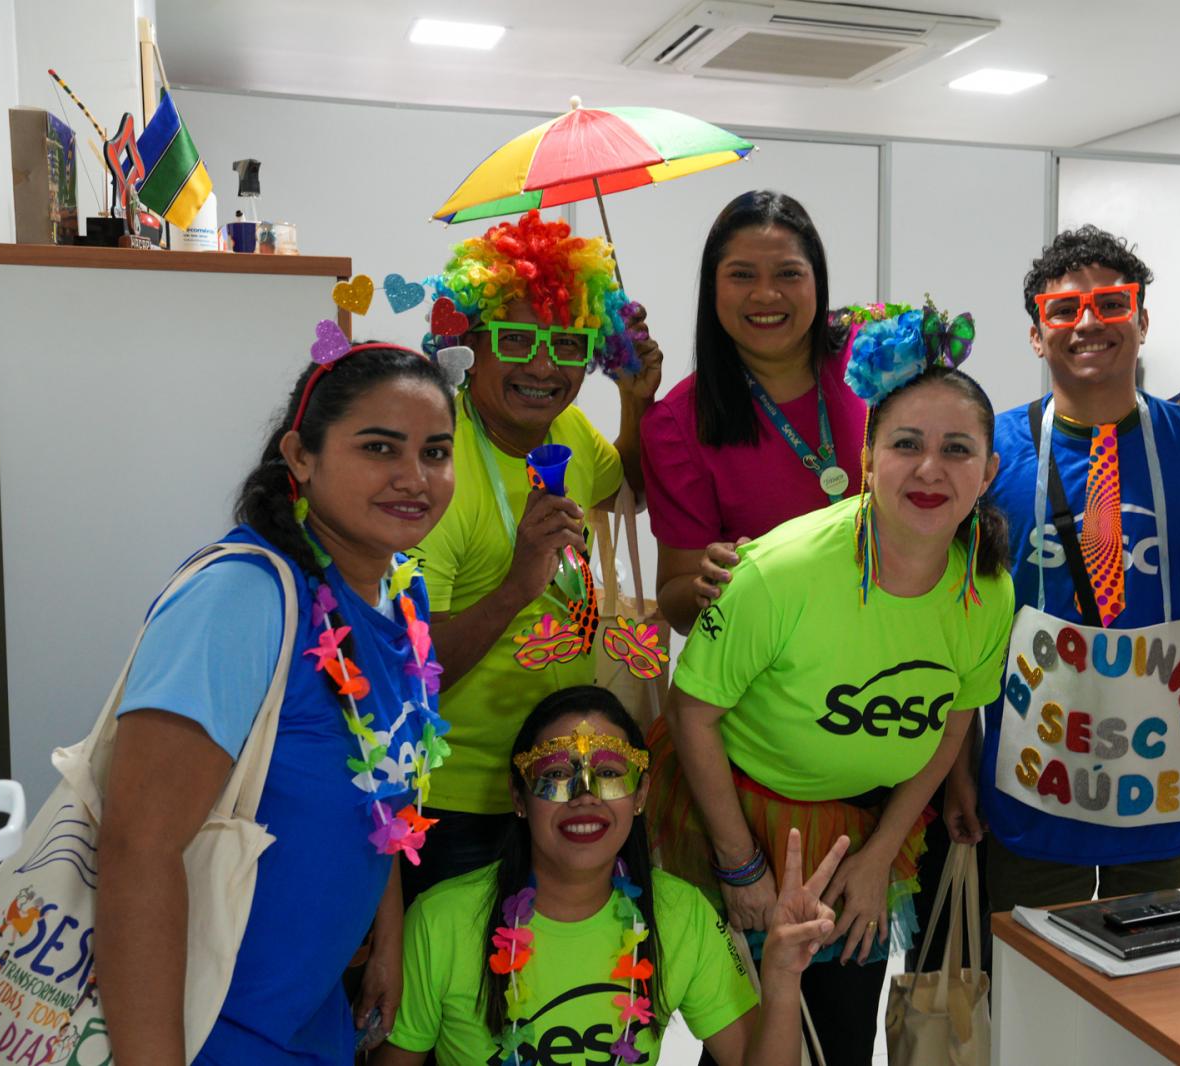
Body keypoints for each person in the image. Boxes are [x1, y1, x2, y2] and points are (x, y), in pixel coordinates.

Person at [649, 299, 1016, 1064]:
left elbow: (951, 725)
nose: (930, 469)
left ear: (988, 471)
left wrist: (880, 854)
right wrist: (739, 864)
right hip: (743, 818)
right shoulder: (780, 571)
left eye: (957, 450)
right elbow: (691, 714)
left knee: (844, 1034)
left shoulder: (988, 587)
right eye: (906, 444)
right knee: (750, 1047)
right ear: (869, 457)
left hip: (865, 828)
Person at [94, 340, 458, 1062]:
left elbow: (381, 785)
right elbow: (137, 848)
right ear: (301, 455)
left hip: (314, 1020)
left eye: (436, 452)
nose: (414, 478)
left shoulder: (402, 596)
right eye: (379, 447)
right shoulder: (242, 597)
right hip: (206, 1031)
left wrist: (388, 936)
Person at [950, 225, 1180, 913]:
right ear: (1037, 336)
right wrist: (957, 771)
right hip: (1031, 786)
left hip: (1160, 789)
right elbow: (952, 627)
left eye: (1111, 303)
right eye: (1064, 310)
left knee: (1162, 969)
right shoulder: (991, 452)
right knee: (1033, 973)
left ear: (1142, 321)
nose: (1088, 322)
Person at [374, 686, 842, 1066]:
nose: (586, 795)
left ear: (641, 795)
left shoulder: (681, 914)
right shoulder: (440, 921)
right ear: (518, 797)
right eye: (557, 773)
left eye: (611, 772)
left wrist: (782, 977)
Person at [408, 210, 663, 899]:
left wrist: (636, 401)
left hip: (559, 783)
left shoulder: (567, 428)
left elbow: (626, 491)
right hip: (457, 801)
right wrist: (517, 585)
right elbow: (410, 671)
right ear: (468, 343)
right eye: (516, 338)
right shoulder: (435, 469)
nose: (544, 366)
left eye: (569, 343)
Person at [642, 190, 866, 635]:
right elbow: (676, 601)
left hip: (894, 642)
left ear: (817, 281)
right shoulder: (677, 424)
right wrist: (710, 582)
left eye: (788, 273)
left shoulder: (874, 355)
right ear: (713, 287)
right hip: (774, 662)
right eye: (742, 275)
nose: (766, 294)